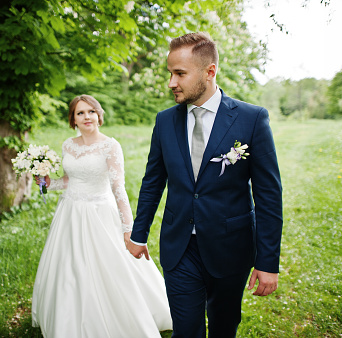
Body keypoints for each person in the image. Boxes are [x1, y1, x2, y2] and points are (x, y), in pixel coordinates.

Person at [126, 32, 283, 337]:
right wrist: (139, 233)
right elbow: (153, 181)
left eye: (179, 74)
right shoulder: (164, 121)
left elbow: (268, 196)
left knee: (224, 328)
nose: (171, 82)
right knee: (186, 331)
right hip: (179, 246)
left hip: (231, 247)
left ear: (210, 72)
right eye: (170, 73)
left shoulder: (251, 119)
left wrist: (268, 262)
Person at [31, 94, 172, 337]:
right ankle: (70, 319)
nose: (87, 117)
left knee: (112, 268)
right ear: (73, 119)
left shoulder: (110, 146)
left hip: (100, 213)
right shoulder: (68, 145)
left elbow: (119, 189)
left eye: (91, 111)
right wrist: (47, 183)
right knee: (69, 268)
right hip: (70, 213)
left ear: (99, 115)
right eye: (80, 113)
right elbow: (69, 180)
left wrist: (129, 229)